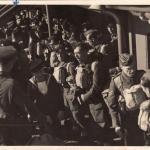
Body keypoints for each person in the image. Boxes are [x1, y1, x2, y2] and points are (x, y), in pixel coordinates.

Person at [0, 46, 44, 145]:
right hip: (12, 137)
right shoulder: (11, 84)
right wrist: (42, 119)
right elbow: (30, 108)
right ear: (12, 63)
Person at [73, 43, 112, 145]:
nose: (76, 56)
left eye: (78, 53)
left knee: (104, 136)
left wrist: (83, 98)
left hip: (98, 104)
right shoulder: (82, 66)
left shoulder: (96, 65)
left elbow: (96, 87)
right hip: (89, 105)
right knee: (96, 137)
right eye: (74, 53)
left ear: (86, 52)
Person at [107, 53, 145, 146]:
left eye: (134, 67)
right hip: (128, 121)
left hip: (145, 118)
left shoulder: (142, 76)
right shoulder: (116, 81)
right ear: (121, 67)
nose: (132, 71)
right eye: (128, 69)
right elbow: (112, 105)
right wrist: (116, 125)